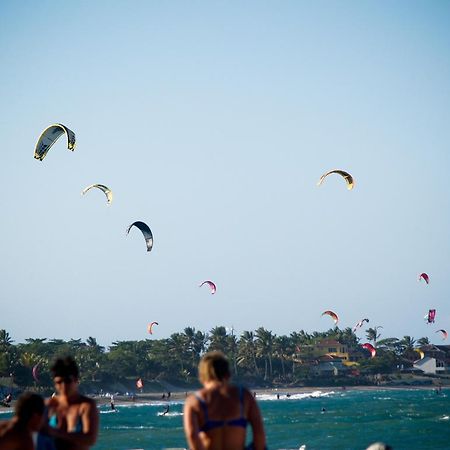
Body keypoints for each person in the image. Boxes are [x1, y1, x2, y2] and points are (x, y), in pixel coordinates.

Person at [184, 351, 266, 450]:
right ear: (228, 374)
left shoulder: (194, 401)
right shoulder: (243, 395)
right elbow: (259, 434)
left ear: (202, 376)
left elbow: (192, 435)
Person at [45, 356, 99, 449]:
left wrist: (56, 433)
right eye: (59, 382)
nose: (63, 386)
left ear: (76, 380)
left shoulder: (85, 406)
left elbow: (90, 439)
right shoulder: (50, 405)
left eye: (67, 381)